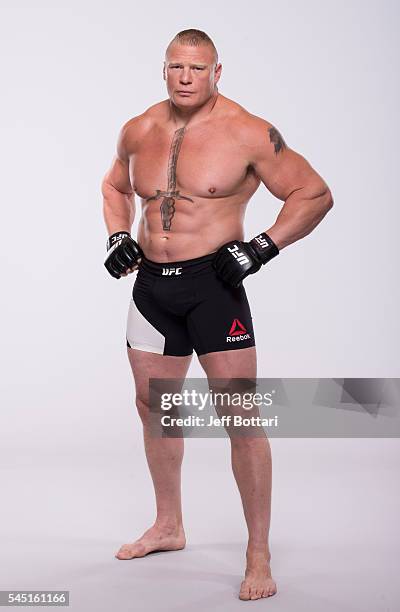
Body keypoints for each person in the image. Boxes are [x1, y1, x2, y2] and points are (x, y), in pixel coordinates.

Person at [101, 28, 333, 601]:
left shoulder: (249, 132)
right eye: (176, 66)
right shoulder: (139, 128)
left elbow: (313, 193)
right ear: (164, 68)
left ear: (217, 72)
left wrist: (261, 247)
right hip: (151, 288)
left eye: (197, 68)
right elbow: (114, 186)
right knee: (155, 407)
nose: (185, 77)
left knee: (241, 418)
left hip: (214, 287)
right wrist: (114, 236)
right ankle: (169, 525)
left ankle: (258, 552)